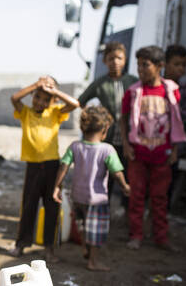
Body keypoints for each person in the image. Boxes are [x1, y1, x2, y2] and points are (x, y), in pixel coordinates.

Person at [120, 46, 186, 251]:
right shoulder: (133, 92)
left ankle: (161, 238)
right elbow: (123, 120)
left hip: (163, 156)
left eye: (145, 65)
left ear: (160, 66)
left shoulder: (171, 91)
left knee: (160, 198)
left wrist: (174, 150)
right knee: (136, 196)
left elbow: (176, 122)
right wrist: (126, 144)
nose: (140, 69)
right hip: (138, 155)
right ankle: (136, 235)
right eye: (138, 65)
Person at [9, 76, 80, 261]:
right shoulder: (25, 112)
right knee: (28, 206)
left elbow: (75, 104)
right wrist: (36, 85)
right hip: (33, 167)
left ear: (53, 100)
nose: (40, 102)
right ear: (32, 95)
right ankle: (21, 245)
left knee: (51, 208)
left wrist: (54, 91)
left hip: (52, 167)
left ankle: (49, 249)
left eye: (45, 98)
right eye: (37, 96)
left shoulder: (55, 112)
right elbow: (15, 99)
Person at [53, 106, 130, 271]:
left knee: (82, 225)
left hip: (78, 197)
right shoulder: (107, 150)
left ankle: (84, 248)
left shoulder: (75, 146)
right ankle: (93, 262)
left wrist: (56, 187)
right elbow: (116, 172)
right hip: (97, 200)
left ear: (82, 128)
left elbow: (63, 167)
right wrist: (124, 186)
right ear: (105, 129)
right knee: (96, 231)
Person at [77, 41, 138, 204]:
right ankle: (103, 209)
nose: (115, 62)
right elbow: (81, 101)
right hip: (107, 138)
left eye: (119, 58)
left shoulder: (133, 81)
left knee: (129, 175)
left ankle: (128, 211)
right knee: (106, 176)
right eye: (111, 59)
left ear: (125, 60)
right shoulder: (100, 83)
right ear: (105, 61)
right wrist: (96, 115)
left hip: (130, 139)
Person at [163, 44, 186, 208]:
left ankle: (163, 217)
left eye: (184, 65)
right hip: (153, 144)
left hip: (174, 145)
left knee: (169, 180)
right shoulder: (156, 85)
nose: (181, 69)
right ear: (165, 64)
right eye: (177, 64)